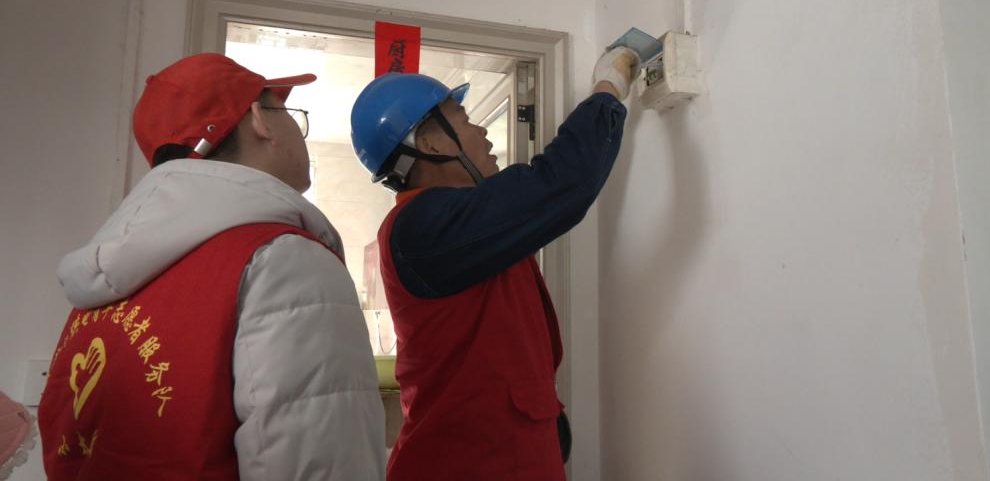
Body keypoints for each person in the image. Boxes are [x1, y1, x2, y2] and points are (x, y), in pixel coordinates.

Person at [38, 53, 385, 480]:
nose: (297, 129)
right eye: (287, 111)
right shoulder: (283, 259)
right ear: (258, 119)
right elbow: (320, 466)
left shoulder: (97, 285)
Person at [349, 46, 640, 480]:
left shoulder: (458, 225)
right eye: (465, 120)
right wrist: (607, 89)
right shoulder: (423, 228)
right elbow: (561, 183)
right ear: (429, 142)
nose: (482, 131)